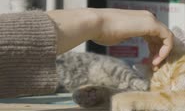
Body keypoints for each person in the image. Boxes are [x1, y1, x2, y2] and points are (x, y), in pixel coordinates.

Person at [0, 8, 174, 98]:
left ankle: (139, 87)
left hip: (91, 69)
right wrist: (96, 22)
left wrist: (96, 22)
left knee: (130, 82)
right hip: (81, 82)